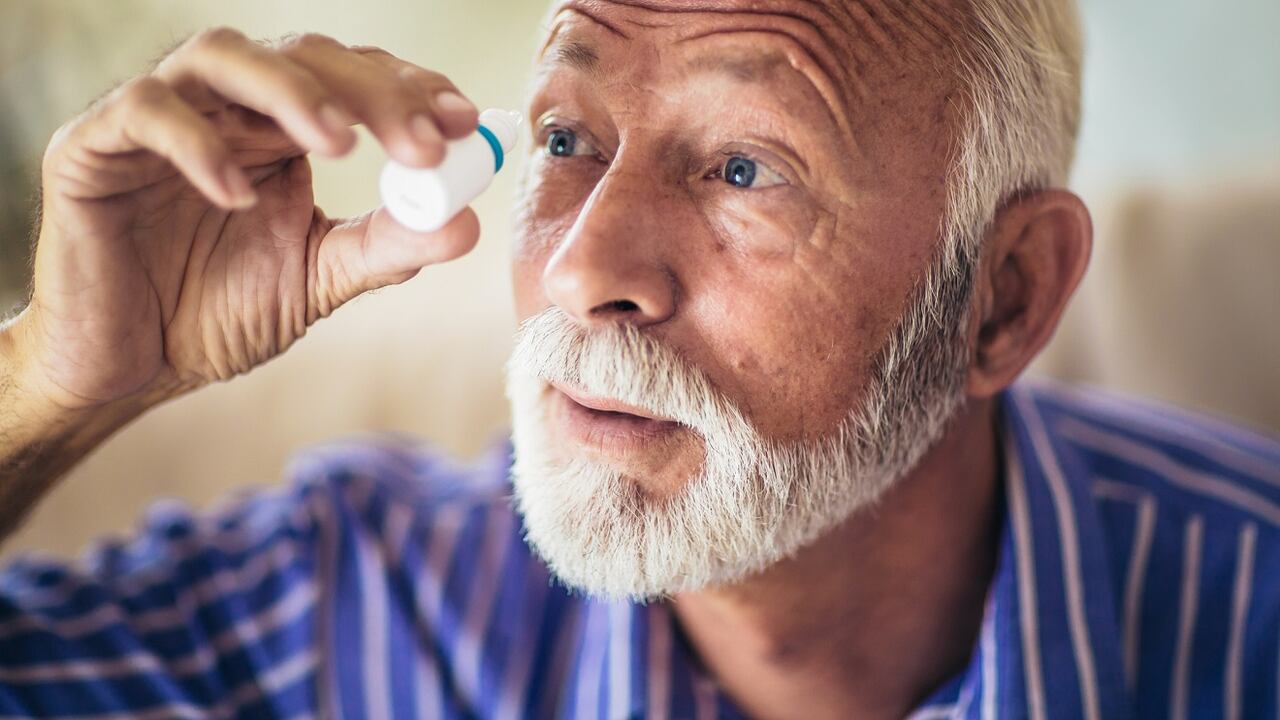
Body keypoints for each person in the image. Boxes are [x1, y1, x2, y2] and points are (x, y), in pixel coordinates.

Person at [0, 0, 1276, 717]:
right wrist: (56, 381)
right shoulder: (358, 608)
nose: (580, 267)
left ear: (1001, 298)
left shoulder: (1247, 625)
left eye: (741, 167)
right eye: (567, 137)